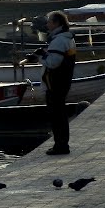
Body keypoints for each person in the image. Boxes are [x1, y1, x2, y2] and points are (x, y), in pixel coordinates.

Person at [34, 10, 77, 155]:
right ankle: (62, 144)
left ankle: (60, 146)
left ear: (56, 23)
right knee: (60, 114)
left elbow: (53, 63)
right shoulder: (67, 38)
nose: (47, 24)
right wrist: (45, 53)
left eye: (49, 21)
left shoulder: (59, 40)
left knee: (56, 115)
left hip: (55, 83)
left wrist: (40, 57)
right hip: (63, 81)